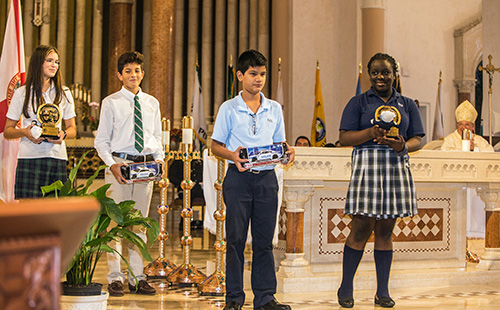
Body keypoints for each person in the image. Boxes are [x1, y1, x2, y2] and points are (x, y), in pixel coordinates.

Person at [337, 53, 425, 308]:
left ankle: (382, 292)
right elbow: (343, 138)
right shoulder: (358, 102)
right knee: (361, 228)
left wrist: (403, 146)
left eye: (385, 72)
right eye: (375, 72)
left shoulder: (407, 104)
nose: (380, 77)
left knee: (386, 230)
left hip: (396, 164)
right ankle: (346, 287)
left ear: (394, 74)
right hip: (368, 166)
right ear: (369, 74)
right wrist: (370, 133)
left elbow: (418, 138)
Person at [211, 50, 295, 310]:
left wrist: (287, 151)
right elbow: (215, 146)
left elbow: (279, 142)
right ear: (240, 75)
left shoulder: (274, 108)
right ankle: (234, 299)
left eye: (262, 74)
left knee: (264, 242)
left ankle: (266, 297)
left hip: (267, 180)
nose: (258, 79)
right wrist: (232, 155)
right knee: (235, 240)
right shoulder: (229, 108)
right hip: (238, 179)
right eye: (253, 74)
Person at [94, 51, 163, 297]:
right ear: (119, 75)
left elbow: (156, 136)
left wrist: (159, 161)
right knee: (115, 224)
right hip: (121, 166)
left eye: (137, 71)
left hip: (145, 167)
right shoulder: (111, 102)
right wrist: (112, 164)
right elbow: (101, 141)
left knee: (140, 225)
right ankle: (115, 278)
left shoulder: (151, 103)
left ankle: (137, 277)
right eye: (127, 71)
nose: (133, 75)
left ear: (142, 73)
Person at [4, 45, 76, 199]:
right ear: (38, 62)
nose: (54, 65)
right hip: (29, 157)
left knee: (54, 212)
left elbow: (72, 129)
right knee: (28, 213)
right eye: (49, 60)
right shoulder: (22, 93)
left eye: (57, 62)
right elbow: (8, 131)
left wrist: (62, 134)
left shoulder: (64, 93)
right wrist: (26, 132)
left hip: (57, 158)